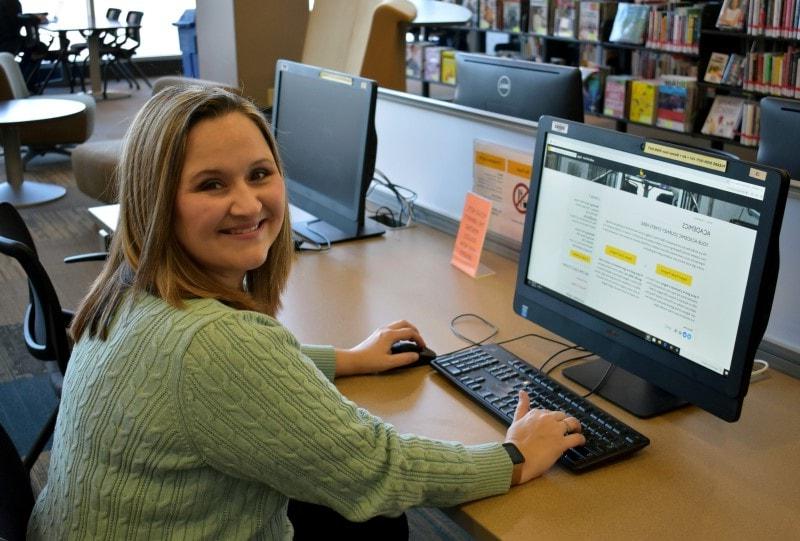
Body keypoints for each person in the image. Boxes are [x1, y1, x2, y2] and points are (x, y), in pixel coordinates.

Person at [27, 85, 585, 539]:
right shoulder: (218, 346)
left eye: (260, 173)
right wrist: (513, 456)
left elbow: (212, 382)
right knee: (380, 515)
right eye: (210, 184)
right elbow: (381, 467)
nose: (247, 203)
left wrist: (347, 358)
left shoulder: (130, 286)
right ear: (155, 200)